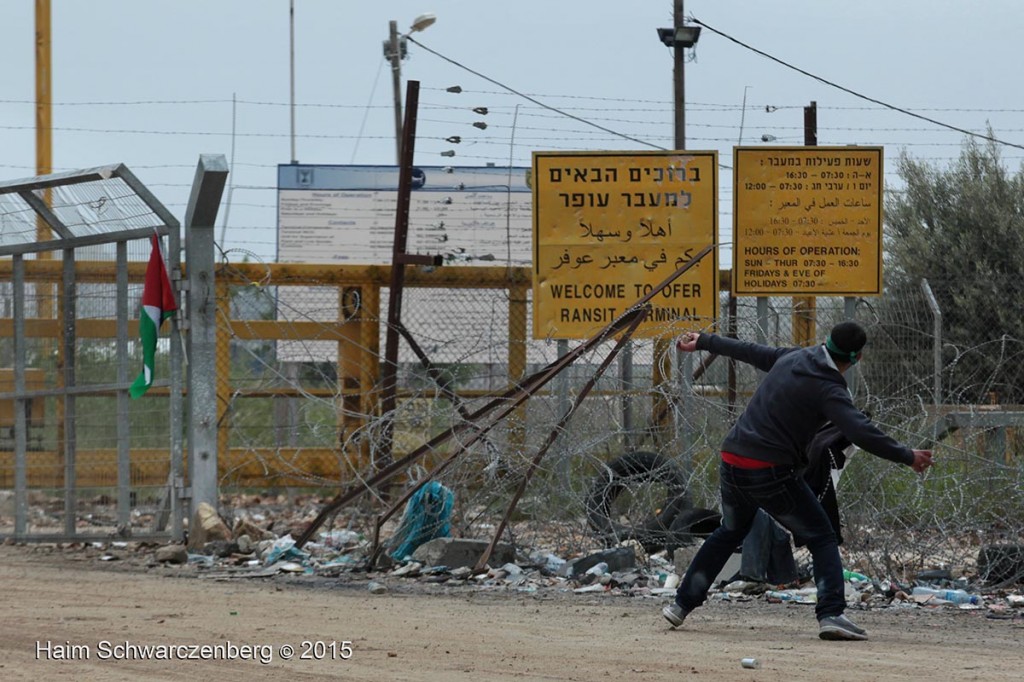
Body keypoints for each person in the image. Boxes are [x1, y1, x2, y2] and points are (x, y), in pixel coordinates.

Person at [661, 321, 933, 640]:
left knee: (729, 530)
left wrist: (705, 341)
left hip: (732, 459)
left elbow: (749, 351)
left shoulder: (793, 357)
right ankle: (831, 613)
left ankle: (681, 605)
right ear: (857, 358)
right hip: (769, 471)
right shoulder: (830, 387)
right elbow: (860, 431)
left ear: (825, 341)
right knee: (821, 535)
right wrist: (908, 456)